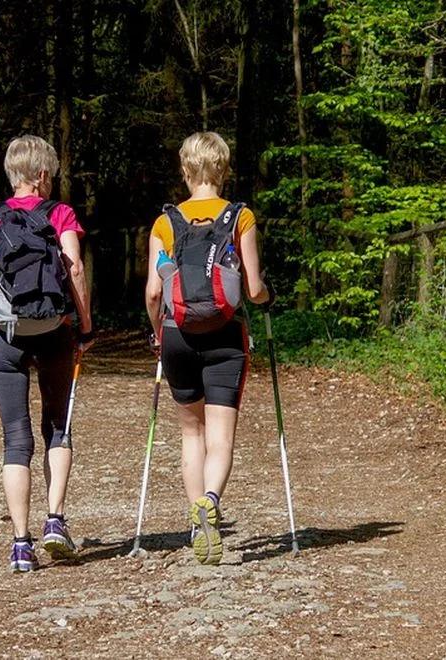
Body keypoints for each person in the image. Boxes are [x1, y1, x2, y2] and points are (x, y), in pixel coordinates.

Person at [0, 135, 95, 573]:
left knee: (15, 439)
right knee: (57, 425)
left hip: (7, 335)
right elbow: (74, 269)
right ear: (43, 175)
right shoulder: (60, 214)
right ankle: (55, 519)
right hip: (54, 329)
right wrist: (86, 325)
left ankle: (21, 544)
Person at [144, 131, 272, 565]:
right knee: (220, 437)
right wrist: (267, 297)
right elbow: (253, 289)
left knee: (190, 433)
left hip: (176, 334)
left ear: (185, 170)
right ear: (223, 169)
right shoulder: (240, 217)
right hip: (224, 335)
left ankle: (197, 519)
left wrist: (157, 334)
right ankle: (212, 500)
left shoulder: (164, 224)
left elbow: (151, 292)